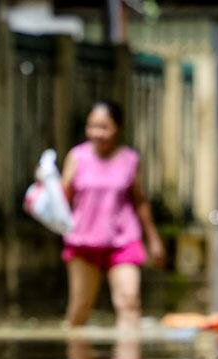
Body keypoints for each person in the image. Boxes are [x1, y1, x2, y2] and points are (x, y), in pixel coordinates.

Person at [61, 100, 166, 328]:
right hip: (83, 242)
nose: (96, 133)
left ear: (118, 128)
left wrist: (153, 239)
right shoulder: (77, 157)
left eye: (103, 127)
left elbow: (140, 201)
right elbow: (62, 199)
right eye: (92, 126)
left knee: (129, 303)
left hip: (122, 240)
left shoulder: (130, 160)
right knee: (79, 308)